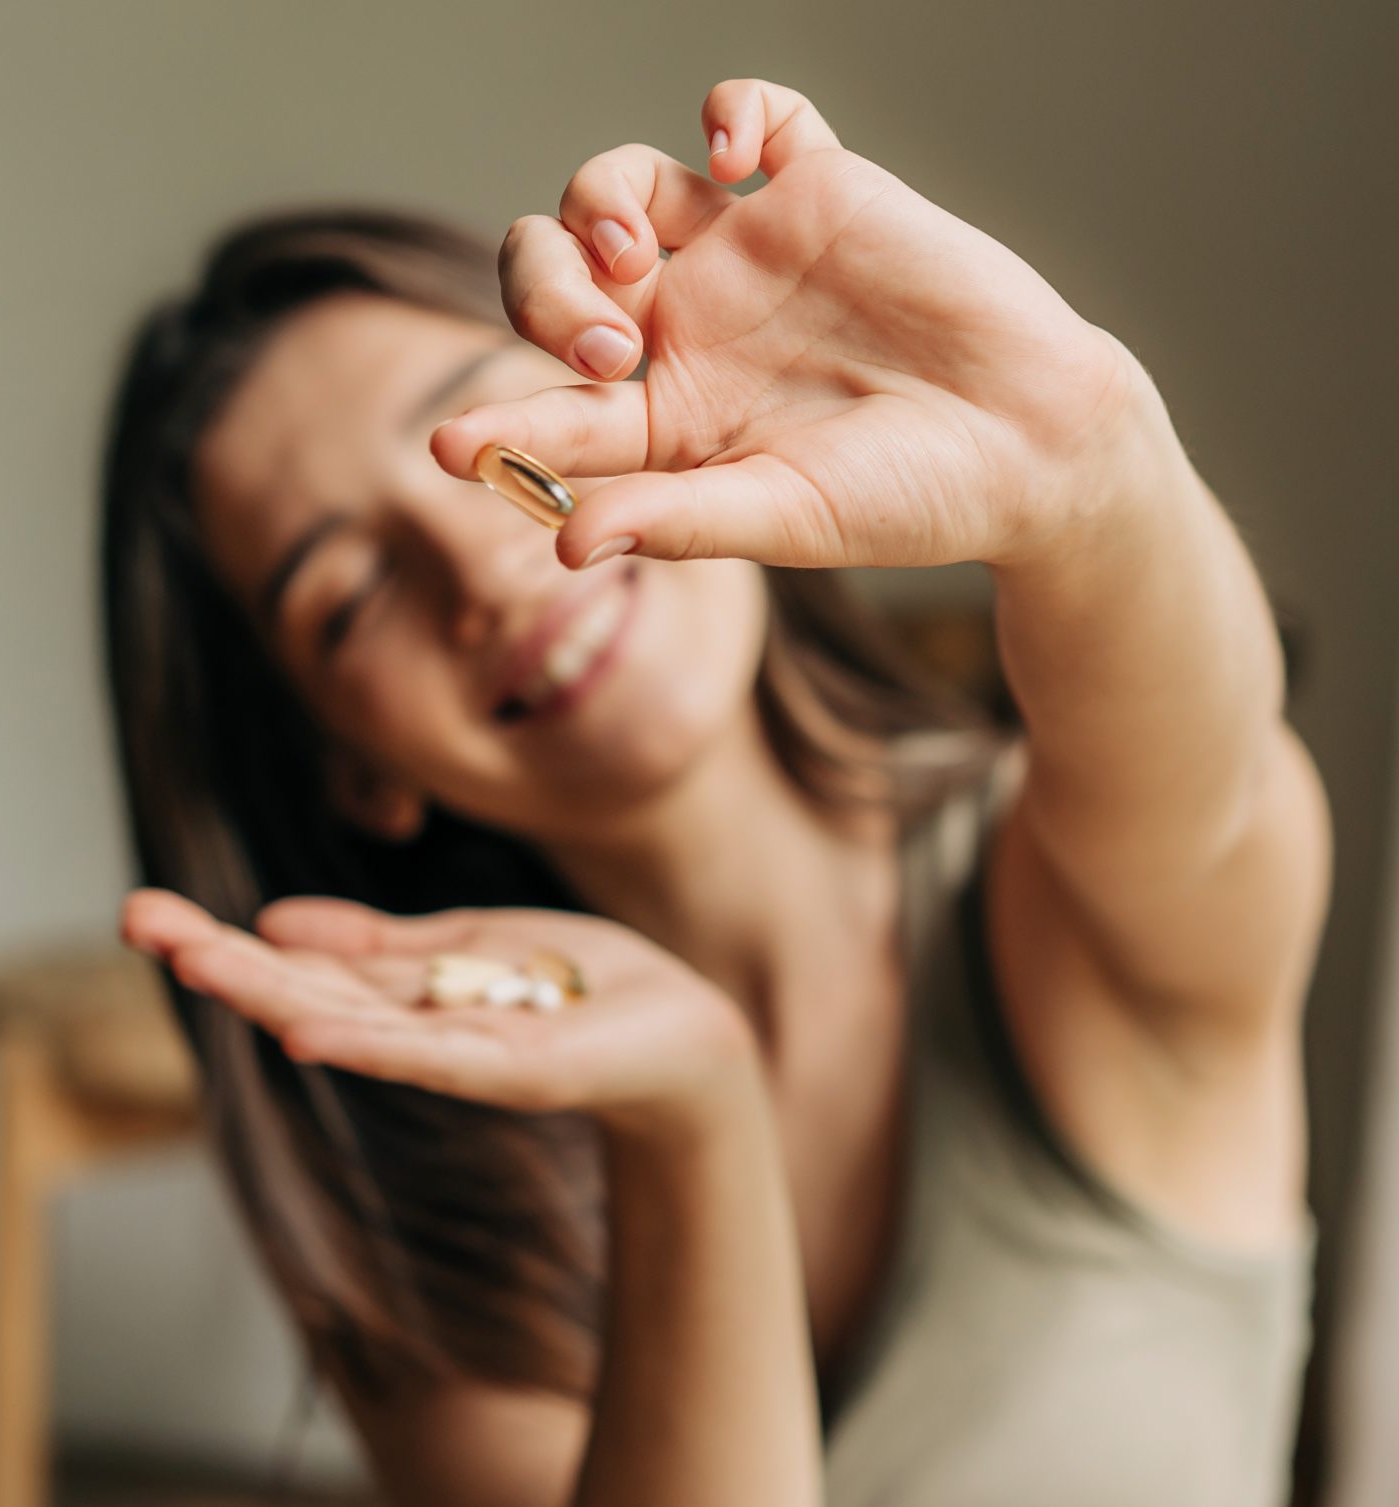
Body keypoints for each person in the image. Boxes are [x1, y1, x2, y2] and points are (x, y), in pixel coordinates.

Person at [105, 79, 1329, 1507]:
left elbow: (1221, 781)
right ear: (351, 769)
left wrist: (1085, 451)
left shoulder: (1062, 897)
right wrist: (693, 1115)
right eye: (351, 594)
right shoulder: (433, 1175)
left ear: (629, 375)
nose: (480, 565)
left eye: (484, 428)